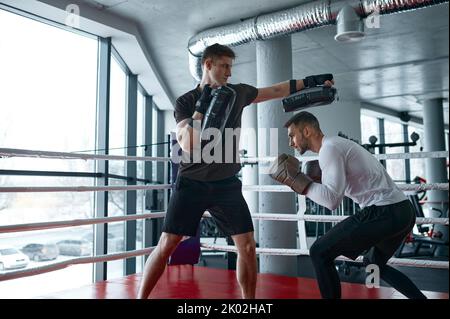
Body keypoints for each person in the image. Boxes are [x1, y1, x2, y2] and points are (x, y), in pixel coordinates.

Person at [137, 43, 334, 299]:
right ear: (208, 65)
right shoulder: (186, 101)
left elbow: (275, 90)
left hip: (226, 185)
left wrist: (310, 82)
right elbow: (188, 143)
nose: (229, 72)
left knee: (248, 246)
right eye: (224, 66)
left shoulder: (237, 93)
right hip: (192, 183)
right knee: (167, 244)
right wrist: (201, 109)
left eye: (231, 66)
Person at [269, 111, 427, 299]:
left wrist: (297, 182)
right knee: (373, 264)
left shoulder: (329, 148)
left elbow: (331, 201)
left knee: (319, 252)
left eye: (292, 135)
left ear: (307, 131)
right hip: (402, 211)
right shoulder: (335, 145)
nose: (290, 143)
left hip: (384, 211)